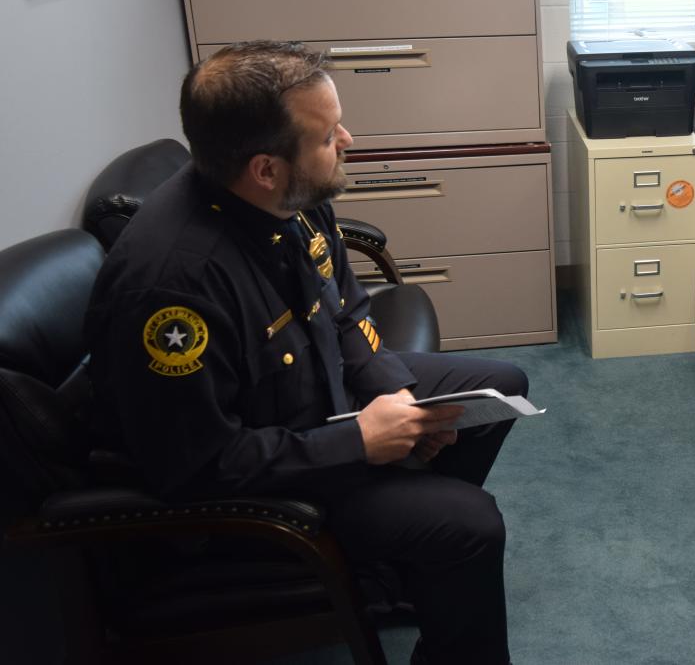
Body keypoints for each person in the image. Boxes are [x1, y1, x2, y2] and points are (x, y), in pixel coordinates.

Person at [85, 40, 525, 665]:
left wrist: (389, 392)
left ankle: (397, 561)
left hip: (315, 404)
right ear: (265, 167)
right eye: (326, 136)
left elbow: (344, 308)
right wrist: (360, 443)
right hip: (260, 482)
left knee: (499, 385)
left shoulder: (287, 196)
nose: (346, 139)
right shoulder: (175, 288)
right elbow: (200, 466)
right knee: (469, 524)